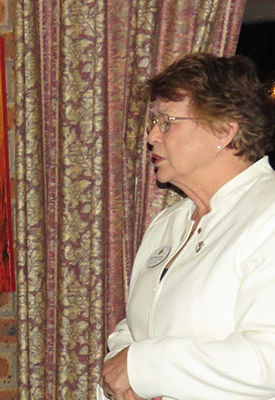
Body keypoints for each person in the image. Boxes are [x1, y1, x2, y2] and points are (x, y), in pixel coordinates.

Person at [98, 53, 275, 400]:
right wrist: (121, 371)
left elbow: (268, 360)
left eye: (167, 121)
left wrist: (141, 366)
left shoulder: (268, 214)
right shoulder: (169, 224)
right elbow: (136, 328)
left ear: (224, 130)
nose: (152, 136)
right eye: (154, 121)